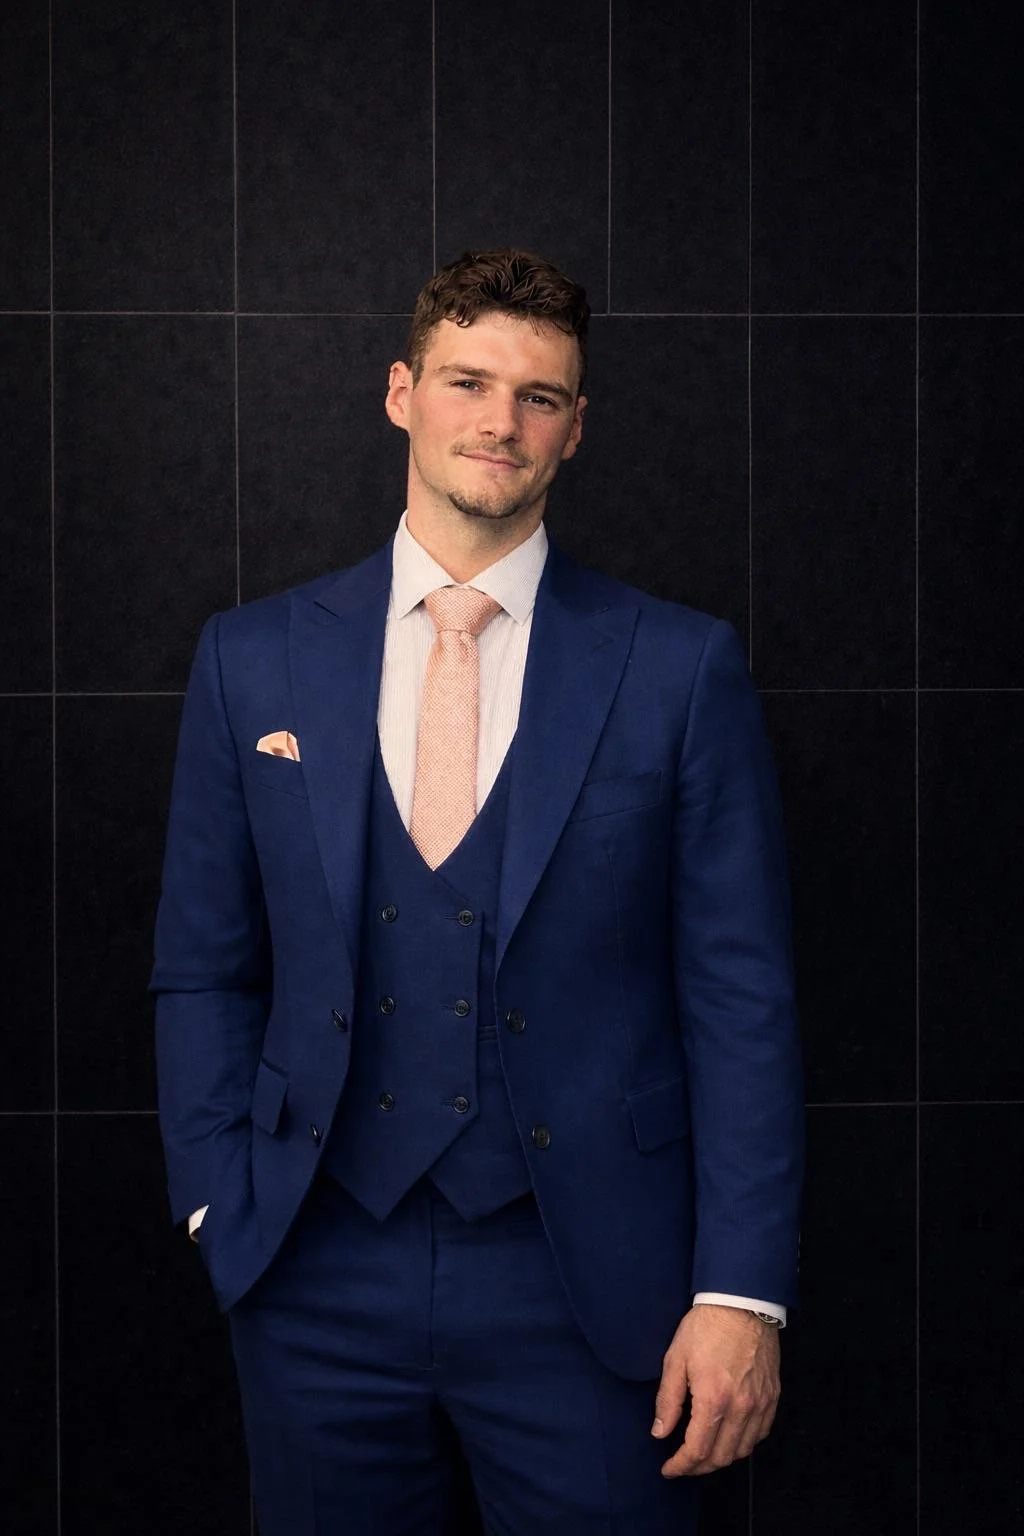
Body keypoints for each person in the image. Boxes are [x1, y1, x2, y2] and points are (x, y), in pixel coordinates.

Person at [150, 247, 804, 1534]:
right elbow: (204, 964)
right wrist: (214, 1201)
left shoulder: (677, 669)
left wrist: (741, 1295)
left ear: (573, 431)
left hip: (593, 1282)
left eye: (539, 395)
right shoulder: (253, 660)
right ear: (402, 393)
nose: (498, 420)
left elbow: (740, 998)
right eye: (467, 380)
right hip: (311, 1265)